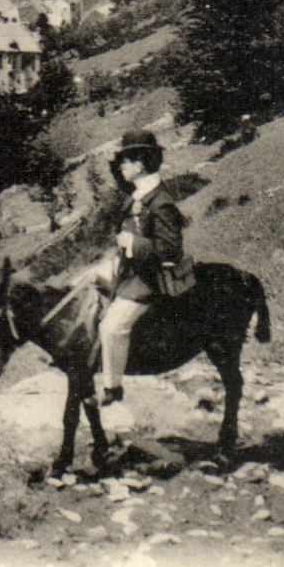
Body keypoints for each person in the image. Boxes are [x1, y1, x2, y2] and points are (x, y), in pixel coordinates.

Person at [97, 130, 184, 406]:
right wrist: (112, 162)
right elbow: (121, 180)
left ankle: (112, 387)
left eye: (126, 160)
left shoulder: (161, 202)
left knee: (112, 327)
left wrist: (133, 243)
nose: (121, 165)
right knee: (84, 285)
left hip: (148, 278)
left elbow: (171, 250)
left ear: (141, 164)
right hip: (131, 270)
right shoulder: (140, 193)